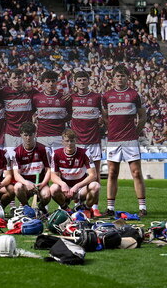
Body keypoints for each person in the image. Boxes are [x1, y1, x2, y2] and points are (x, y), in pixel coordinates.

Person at [102, 65, 148, 216]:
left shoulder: (134, 95)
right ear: (113, 78)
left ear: (127, 78)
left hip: (130, 140)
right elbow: (105, 116)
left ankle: (142, 207)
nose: (120, 78)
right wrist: (112, 129)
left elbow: (143, 116)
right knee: (112, 172)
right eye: (117, 76)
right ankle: (110, 208)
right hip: (113, 140)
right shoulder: (107, 96)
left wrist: (135, 132)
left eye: (122, 76)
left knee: (136, 172)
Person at [69, 70, 105, 217]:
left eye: (84, 80)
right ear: (75, 82)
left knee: (95, 175)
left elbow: (104, 116)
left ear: (88, 81)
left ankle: (95, 207)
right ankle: (78, 204)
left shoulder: (97, 97)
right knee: (78, 175)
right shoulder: (70, 98)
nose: (82, 82)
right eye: (79, 80)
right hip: (78, 143)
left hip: (93, 141)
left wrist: (102, 124)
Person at [49, 129, 100, 211]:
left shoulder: (84, 153)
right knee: (53, 188)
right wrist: (62, 184)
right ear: (62, 142)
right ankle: (65, 208)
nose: (69, 144)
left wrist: (77, 186)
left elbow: (93, 175)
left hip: (81, 188)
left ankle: (86, 209)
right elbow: (53, 175)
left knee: (95, 186)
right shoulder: (56, 154)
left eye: (72, 141)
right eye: (67, 141)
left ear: (75, 141)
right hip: (65, 189)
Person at [9, 123, 52, 212]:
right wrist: (26, 183)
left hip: (40, 184)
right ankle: (27, 207)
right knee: (17, 187)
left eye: (30, 135)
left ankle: (41, 207)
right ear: (21, 135)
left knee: (47, 194)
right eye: (25, 135)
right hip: (26, 184)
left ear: (35, 134)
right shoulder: (16, 152)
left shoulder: (44, 149)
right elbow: (16, 175)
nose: (28, 138)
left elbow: (49, 170)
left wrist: (43, 183)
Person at [32, 70, 70, 153]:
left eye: (53, 81)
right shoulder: (36, 98)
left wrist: (62, 120)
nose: (51, 84)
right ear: (42, 83)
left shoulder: (64, 98)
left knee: (59, 164)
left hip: (59, 137)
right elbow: (30, 113)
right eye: (48, 81)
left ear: (57, 82)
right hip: (42, 137)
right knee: (43, 165)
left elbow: (71, 114)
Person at [0, 71, 33, 149]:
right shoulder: (3, 92)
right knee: (10, 159)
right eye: (14, 78)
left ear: (23, 79)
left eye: (19, 78)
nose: (17, 80)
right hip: (10, 134)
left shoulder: (31, 91)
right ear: (9, 80)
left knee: (26, 160)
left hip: (27, 134)